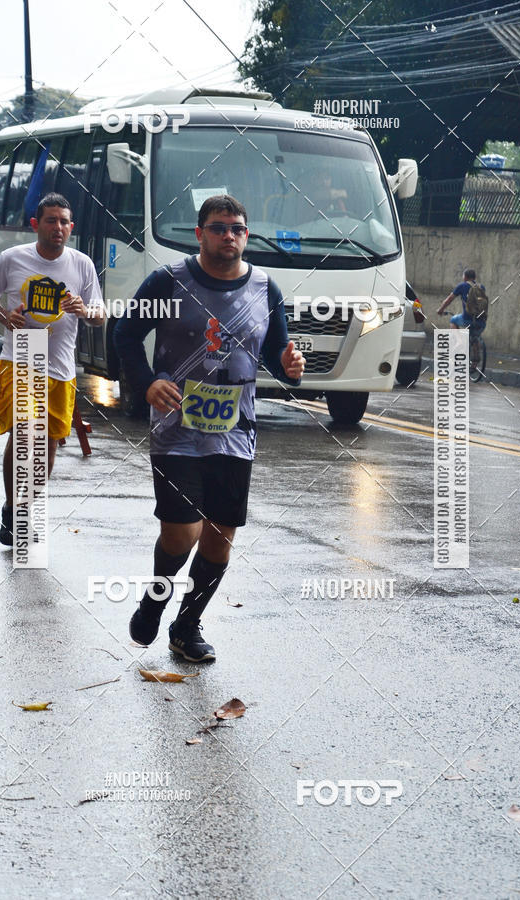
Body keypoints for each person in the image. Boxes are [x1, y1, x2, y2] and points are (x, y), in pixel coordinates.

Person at [114, 194, 305, 663]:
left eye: (238, 228)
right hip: (176, 429)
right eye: (219, 227)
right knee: (183, 533)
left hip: (236, 432)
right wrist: (147, 382)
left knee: (220, 537)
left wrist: (290, 366)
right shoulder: (169, 282)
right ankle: (155, 599)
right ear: (200, 233)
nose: (230, 236)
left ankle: (187, 625)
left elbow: (278, 356)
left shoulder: (265, 288)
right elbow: (124, 334)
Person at [0, 193, 104, 546]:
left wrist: (83, 309)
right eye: (51, 220)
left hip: (62, 364)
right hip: (22, 355)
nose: (58, 228)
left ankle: (22, 508)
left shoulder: (82, 264)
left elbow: (100, 317)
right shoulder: (12, 258)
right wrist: (7, 317)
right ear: (36, 224)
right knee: (24, 438)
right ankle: (14, 510)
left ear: (71, 227)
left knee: (47, 443)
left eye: (64, 221)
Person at [437, 268, 487, 334]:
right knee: (474, 339)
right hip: (482, 321)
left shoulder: (462, 286)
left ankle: (459, 341)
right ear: (474, 277)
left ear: (465, 277)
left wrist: (441, 310)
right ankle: (477, 343)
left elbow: (448, 300)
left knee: (453, 320)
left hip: (467, 320)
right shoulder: (481, 287)